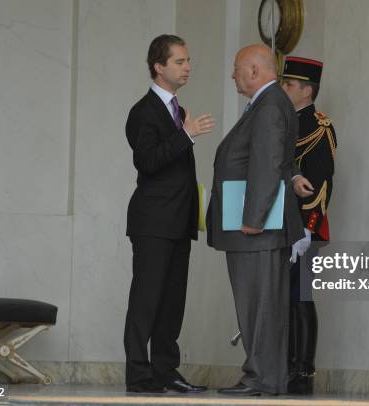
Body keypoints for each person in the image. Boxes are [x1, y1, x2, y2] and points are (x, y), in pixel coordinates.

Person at [206, 44, 305, 396]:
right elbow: (277, 160)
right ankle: (265, 378)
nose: (232, 75)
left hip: (255, 230)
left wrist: (253, 218)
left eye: (236, 68)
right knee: (262, 305)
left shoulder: (268, 106)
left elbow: (265, 163)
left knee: (258, 306)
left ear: (253, 70)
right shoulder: (271, 103)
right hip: (258, 229)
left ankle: (260, 379)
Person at [124, 34, 215, 394]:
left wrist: (184, 130)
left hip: (179, 220)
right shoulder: (143, 111)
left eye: (188, 60)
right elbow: (148, 161)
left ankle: (166, 371)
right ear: (158, 67)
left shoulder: (176, 109)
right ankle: (138, 374)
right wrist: (186, 134)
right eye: (179, 61)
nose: (187, 66)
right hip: (153, 221)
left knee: (173, 301)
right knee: (146, 300)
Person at [281, 56, 338, 394]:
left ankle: (304, 368)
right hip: (284, 226)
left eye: (289, 84)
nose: (284, 88)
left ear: (306, 90)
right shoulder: (287, 122)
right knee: (286, 298)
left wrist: (307, 228)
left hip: (305, 228)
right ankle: (288, 363)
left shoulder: (319, 126)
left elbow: (323, 181)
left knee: (300, 296)